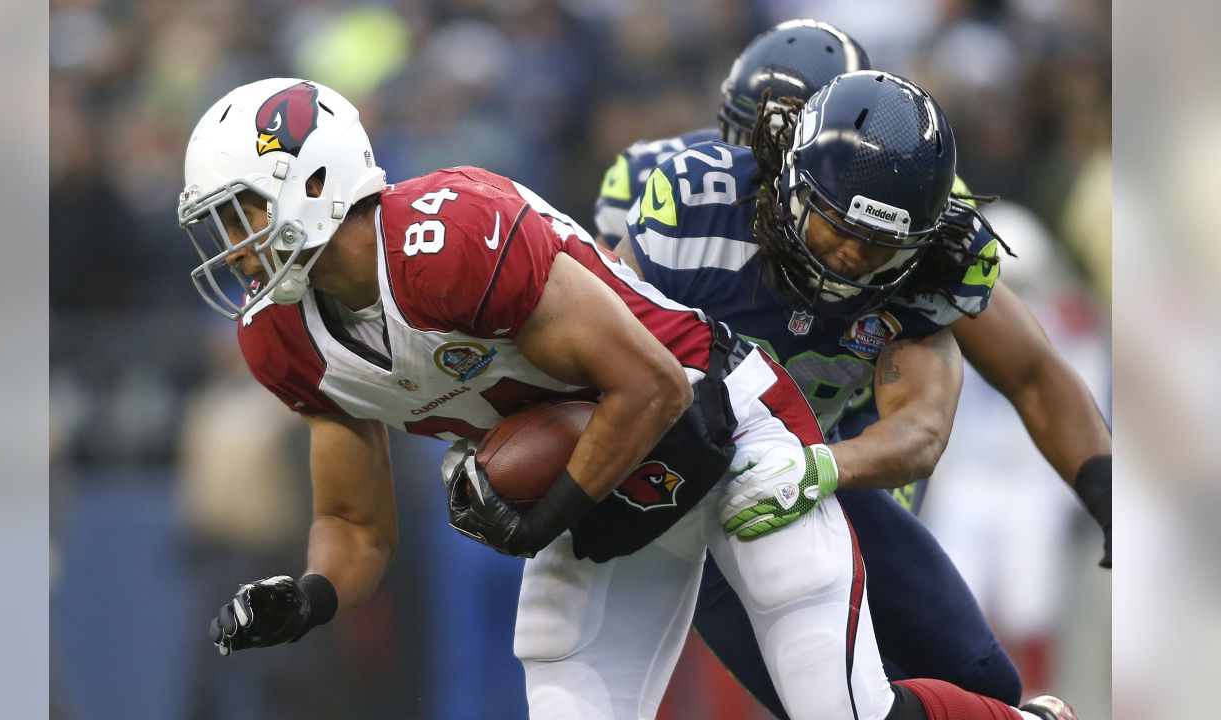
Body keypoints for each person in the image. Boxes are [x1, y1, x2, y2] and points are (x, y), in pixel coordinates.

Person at [178, 77, 1073, 720]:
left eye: (243, 211)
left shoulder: (444, 234)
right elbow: (357, 525)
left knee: (840, 710)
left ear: (318, 185)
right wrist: (309, 597)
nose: (236, 244)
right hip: (606, 484)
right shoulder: (282, 338)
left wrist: (548, 512)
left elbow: (647, 384)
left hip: (720, 430)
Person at [595, 22, 1106, 720]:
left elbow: (1013, 380)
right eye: (744, 131)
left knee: (977, 682)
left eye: (877, 242)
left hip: (844, 450)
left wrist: (1110, 495)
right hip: (700, 480)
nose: (846, 256)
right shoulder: (686, 197)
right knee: (838, 706)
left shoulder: (926, 226)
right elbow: (592, 350)